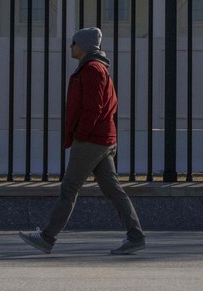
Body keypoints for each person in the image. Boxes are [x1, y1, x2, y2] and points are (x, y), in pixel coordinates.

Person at [19, 27, 146, 255]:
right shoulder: (96, 68)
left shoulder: (92, 69)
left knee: (69, 188)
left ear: (84, 46)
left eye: (74, 43)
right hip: (102, 138)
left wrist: (81, 135)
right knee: (113, 189)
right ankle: (135, 236)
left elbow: (93, 108)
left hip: (92, 140)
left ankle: (47, 237)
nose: (71, 47)